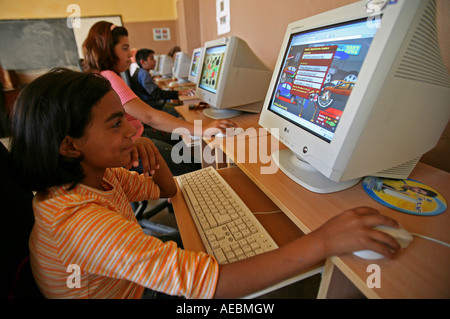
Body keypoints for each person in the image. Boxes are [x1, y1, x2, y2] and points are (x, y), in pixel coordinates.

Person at [9, 68, 403, 299]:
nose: (132, 128)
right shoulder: (80, 222)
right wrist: (323, 240)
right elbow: (212, 285)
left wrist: (148, 148)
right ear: (69, 145)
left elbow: (168, 191)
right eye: (117, 123)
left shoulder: (96, 178)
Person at [82, 21, 234, 175]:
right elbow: (150, 117)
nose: (130, 54)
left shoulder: (100, 76)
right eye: (125, 48)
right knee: (194, 166)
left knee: (181, 141)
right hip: (133, 148)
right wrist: (205, 130)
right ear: (107, 49)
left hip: (134, 140)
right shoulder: (109, 77)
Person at [131, 48, 190, 117]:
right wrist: (179, 93)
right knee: (184, 111)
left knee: (180, 106)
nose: (155, 61)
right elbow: (157, 94)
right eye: (151, 58)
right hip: (154, 107)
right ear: (143, 62)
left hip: (150, 105)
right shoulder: (144, 74)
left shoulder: (139, 72)